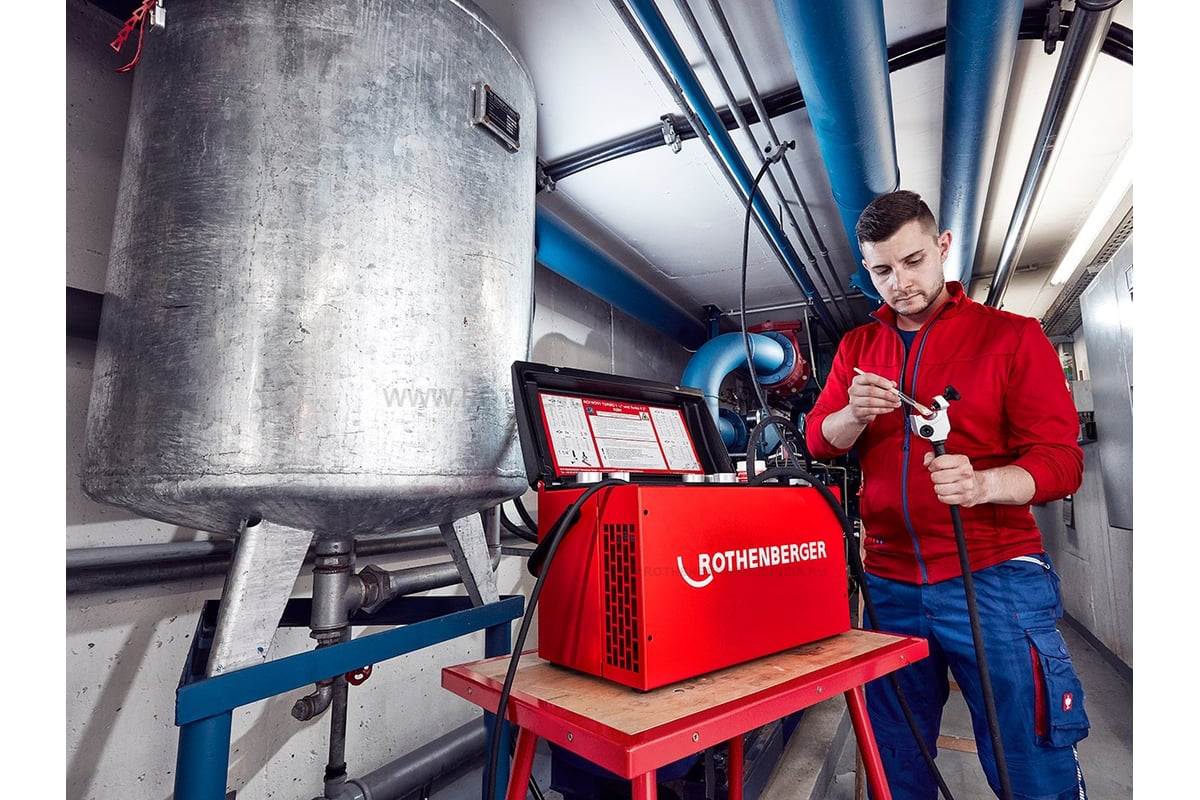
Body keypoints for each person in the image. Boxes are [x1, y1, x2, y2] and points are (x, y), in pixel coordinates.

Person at [804, 190, 1089, 800]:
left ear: (942, 247)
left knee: (1029, 760)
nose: (900, 283)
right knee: (896, 759)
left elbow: (1062, 462)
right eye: (882, 271)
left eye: (913, 262)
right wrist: (852, 414)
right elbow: (820, 439)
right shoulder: (858, 349)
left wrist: (985, 484)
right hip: (890, 584)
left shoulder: (1013, 337)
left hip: (994, 577)